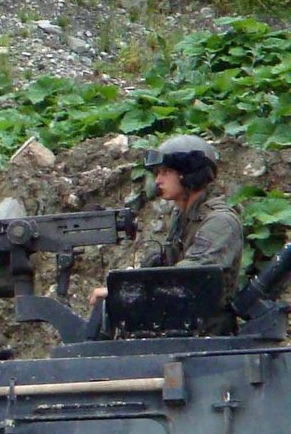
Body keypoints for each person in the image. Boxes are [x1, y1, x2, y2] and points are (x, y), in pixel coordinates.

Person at [89, 134, 243, 321]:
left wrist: (124, 290)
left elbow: (189, 276)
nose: (157, 181)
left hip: (207, 329)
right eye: (157, 173)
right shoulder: (183, 215)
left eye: (165, 172)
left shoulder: (220, 222)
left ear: (188, 174)